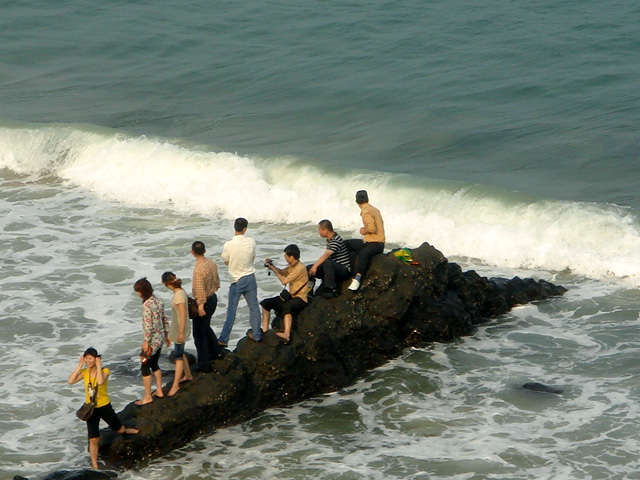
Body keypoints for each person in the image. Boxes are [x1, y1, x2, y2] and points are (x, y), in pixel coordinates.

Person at [68, 348, 138, 469]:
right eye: (86, 358)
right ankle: (94, 464)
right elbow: (70, 381)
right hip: (91, 409)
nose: (87, 361)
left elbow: (100, 382)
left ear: (96, 359)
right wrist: (79, 365)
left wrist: (99, 365)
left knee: (119, 430)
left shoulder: (105, 370)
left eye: (90, 358)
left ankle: (126, 430)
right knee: (93, 439)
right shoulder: (85, 372)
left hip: (104, 406)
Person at [219, 217, 262, 344]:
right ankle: (257, 334)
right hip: (249, 277)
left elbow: (226, 261)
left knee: (232, 310)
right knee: (254, 308)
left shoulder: (228, 245)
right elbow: (252, 258)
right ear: (245, 229)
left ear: (235, 228)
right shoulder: (251, 242)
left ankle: (224, 338)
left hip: (236, 280)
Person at [261, 244, 309, 343]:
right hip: (291, 297)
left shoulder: (300, 268)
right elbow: (282, 272)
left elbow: (284, 281)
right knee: (266, 303)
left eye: (286, 256)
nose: (285, 258)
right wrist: (272, 266)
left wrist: (274, 270)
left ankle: (287, 334)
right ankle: (265, 330)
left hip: (301, 299)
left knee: (287, 307)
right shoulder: (292, 266)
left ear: (291, 257)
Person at [133, 278, 170, 405]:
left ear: (143, 291)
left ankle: (147, 396)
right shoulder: (158, 301)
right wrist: (166, 335)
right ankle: (159, 390)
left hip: (152, 340)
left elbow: (148, 326)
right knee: (155, 364)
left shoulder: (147, 305)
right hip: (159, 338)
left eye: (138, 291)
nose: (138, 294)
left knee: (144, 366)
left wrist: (146, 341)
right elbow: (164, 319)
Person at [191, 240, 224, 372]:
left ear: (192, 253)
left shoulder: (198, 269)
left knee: (199, 334)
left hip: (204, 302)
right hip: (213, 298)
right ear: (204, 251)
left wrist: (200, 306)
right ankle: (215, 351)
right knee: (205, 327)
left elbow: (199, 290)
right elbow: (217, 282)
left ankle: (204, 363)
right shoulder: (211, 263)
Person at [161, 272, 193, 396]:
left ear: (166, 283)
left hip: (181, 328)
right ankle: (188, 374)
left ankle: (175, 386)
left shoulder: (179, 295)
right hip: (178, 327)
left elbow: (183, 314)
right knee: (180, 352)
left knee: (178, 356)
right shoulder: (180, 291)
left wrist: (180, 332)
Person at [348, 190, 385, 291]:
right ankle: (349, 268)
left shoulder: (366, 211)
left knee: (363, 254)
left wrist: (363, 230)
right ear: (367, 199)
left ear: (356, 201)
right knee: (348, 244)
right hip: (374, 242)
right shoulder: (374, 209)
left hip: (375, 243)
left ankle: (357, 279)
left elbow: (371, 228)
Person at [308, 219, 352, 299]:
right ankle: (309, 290)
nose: (318, 232)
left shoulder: (336, 240)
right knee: (308, 268)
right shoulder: (329, 240)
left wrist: (315, 266)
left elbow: (327, 254)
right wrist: (313, 268)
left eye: (319, 230)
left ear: (325, 230)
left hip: (343, 270)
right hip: (331, 269)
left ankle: (332, 290)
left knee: (328, 263)